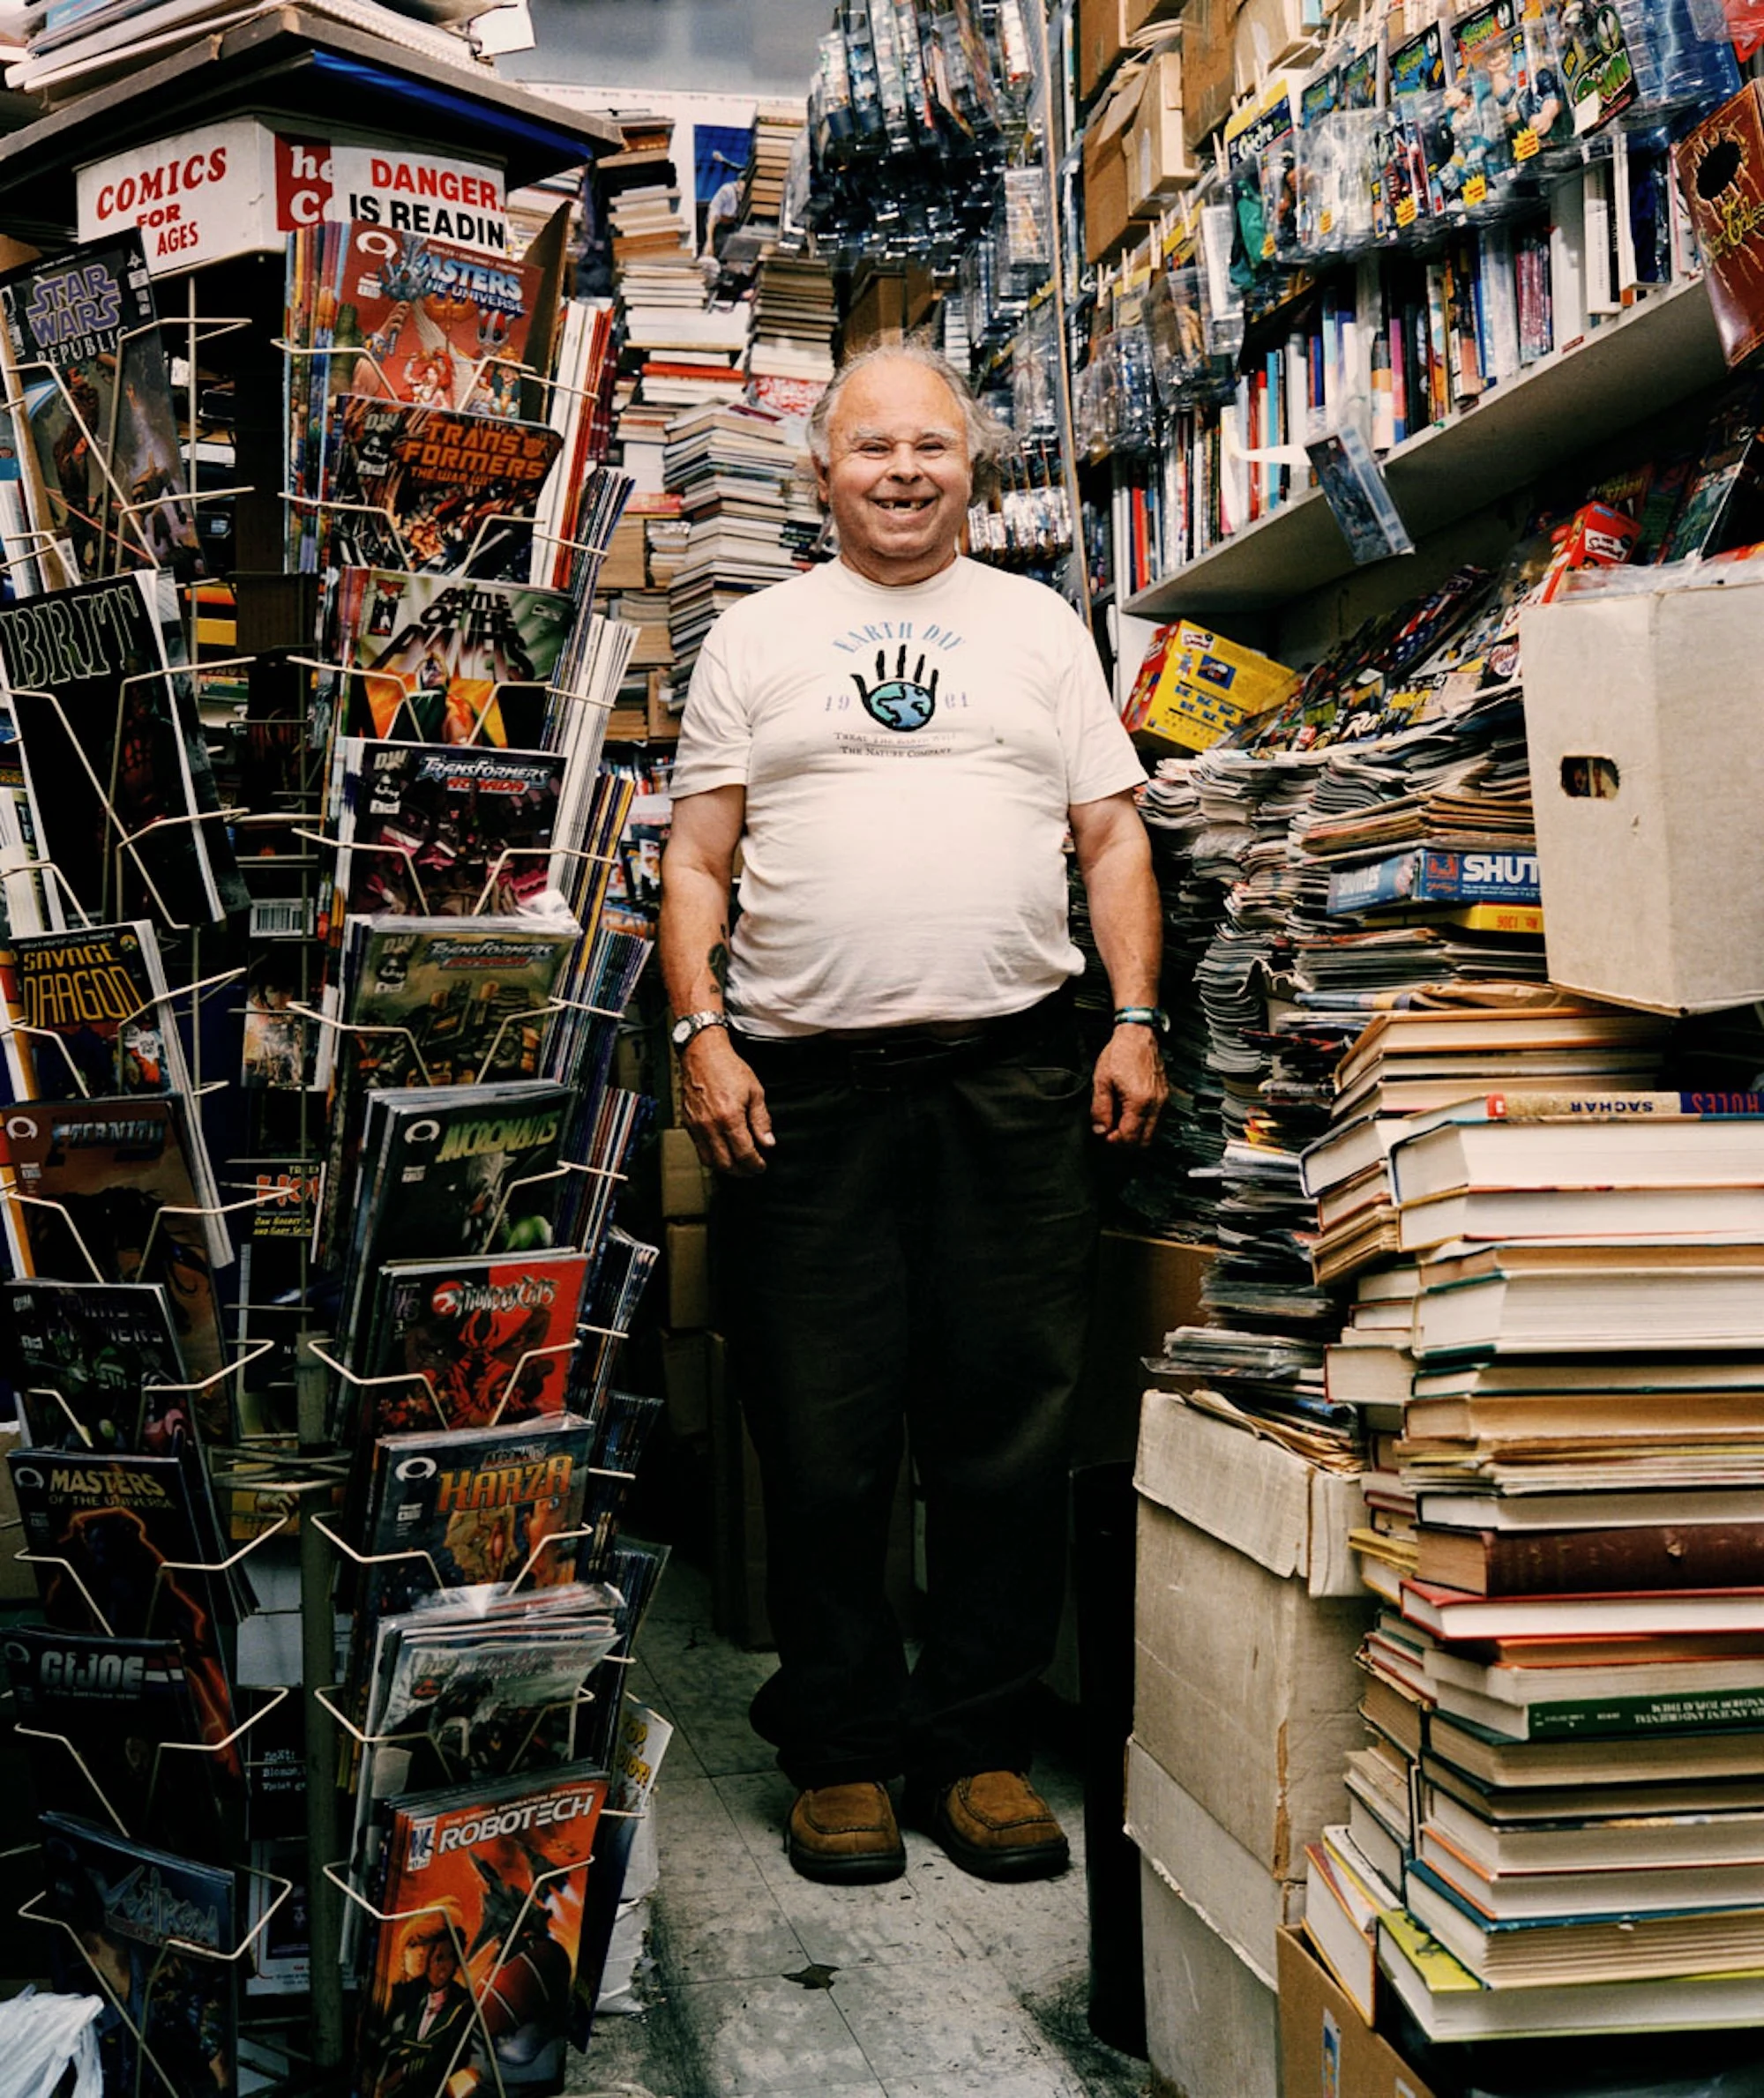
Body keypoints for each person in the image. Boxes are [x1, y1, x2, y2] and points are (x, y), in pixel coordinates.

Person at [657, 341, 1168, 1886]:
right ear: (821, 470)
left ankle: (977, 1747)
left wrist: (1136, 1016)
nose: (902, 469)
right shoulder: (754, 636)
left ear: (972, 468)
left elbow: (1113, 836)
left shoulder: (1038, 629)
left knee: (1003, 1424)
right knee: (819, 1437)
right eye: (871, 445)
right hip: (801, 1092)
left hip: (1012, 1075)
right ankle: (843, 1750)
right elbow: (695, 861)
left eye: (932, 447)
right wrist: (703, 1032)